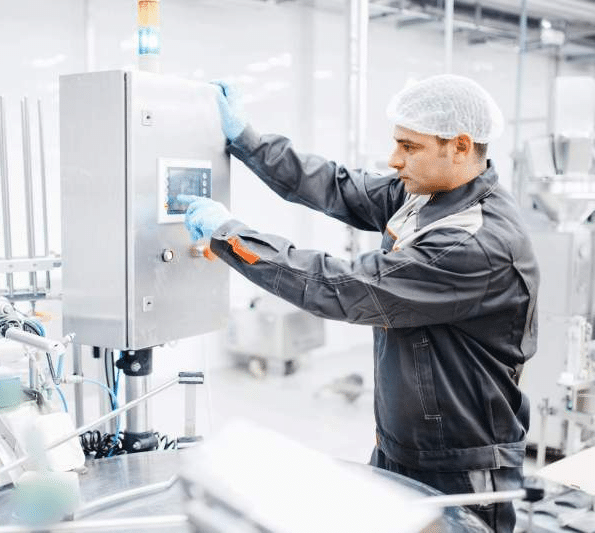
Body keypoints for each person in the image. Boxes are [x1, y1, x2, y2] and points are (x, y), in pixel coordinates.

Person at [180, 74, 538, 533]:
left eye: (409, 147)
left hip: (459, 464)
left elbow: (346, 286)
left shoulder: (475, 242)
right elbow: (336, 186)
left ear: (460, 146)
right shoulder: (427, 198)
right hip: (402, 444)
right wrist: (249, 142)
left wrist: (231, 236)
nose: (395, 160)